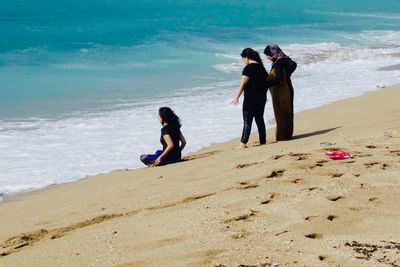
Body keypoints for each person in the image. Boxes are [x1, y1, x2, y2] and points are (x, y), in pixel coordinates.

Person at [231, 48, 268, 149]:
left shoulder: (248, 68)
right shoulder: (262, 68)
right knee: (260, 119)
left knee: (247, 121)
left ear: (247, 57)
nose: (243, 61)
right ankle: (263, 141)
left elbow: (242, 84)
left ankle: (243, 143)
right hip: (262, 99)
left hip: (250, 99)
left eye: (243, 58)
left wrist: (236, 97)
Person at [264, 44, 296, 141]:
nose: (267, 57)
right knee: (288, 111)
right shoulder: (286, 60)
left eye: (268, 55)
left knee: (281, 112)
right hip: (288, 88)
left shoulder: (279, 63)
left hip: (281, 92)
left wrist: (264, 85)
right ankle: (287, 134)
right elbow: (294, 65)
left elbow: (278, 79)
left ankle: (282, 136)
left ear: (272, 53)